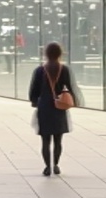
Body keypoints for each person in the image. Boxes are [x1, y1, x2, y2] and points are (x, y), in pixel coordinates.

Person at [28, 43, 75, 175]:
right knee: (58, 140)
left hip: (44, 107)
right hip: (59, 107)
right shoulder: (64, 69)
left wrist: (34, 101)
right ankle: (56, 165)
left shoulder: (40, 70)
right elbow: (70, 88)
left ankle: (47, 166)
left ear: (46, 54)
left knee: (45, 140)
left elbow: (33, 90)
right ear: (60, 53)